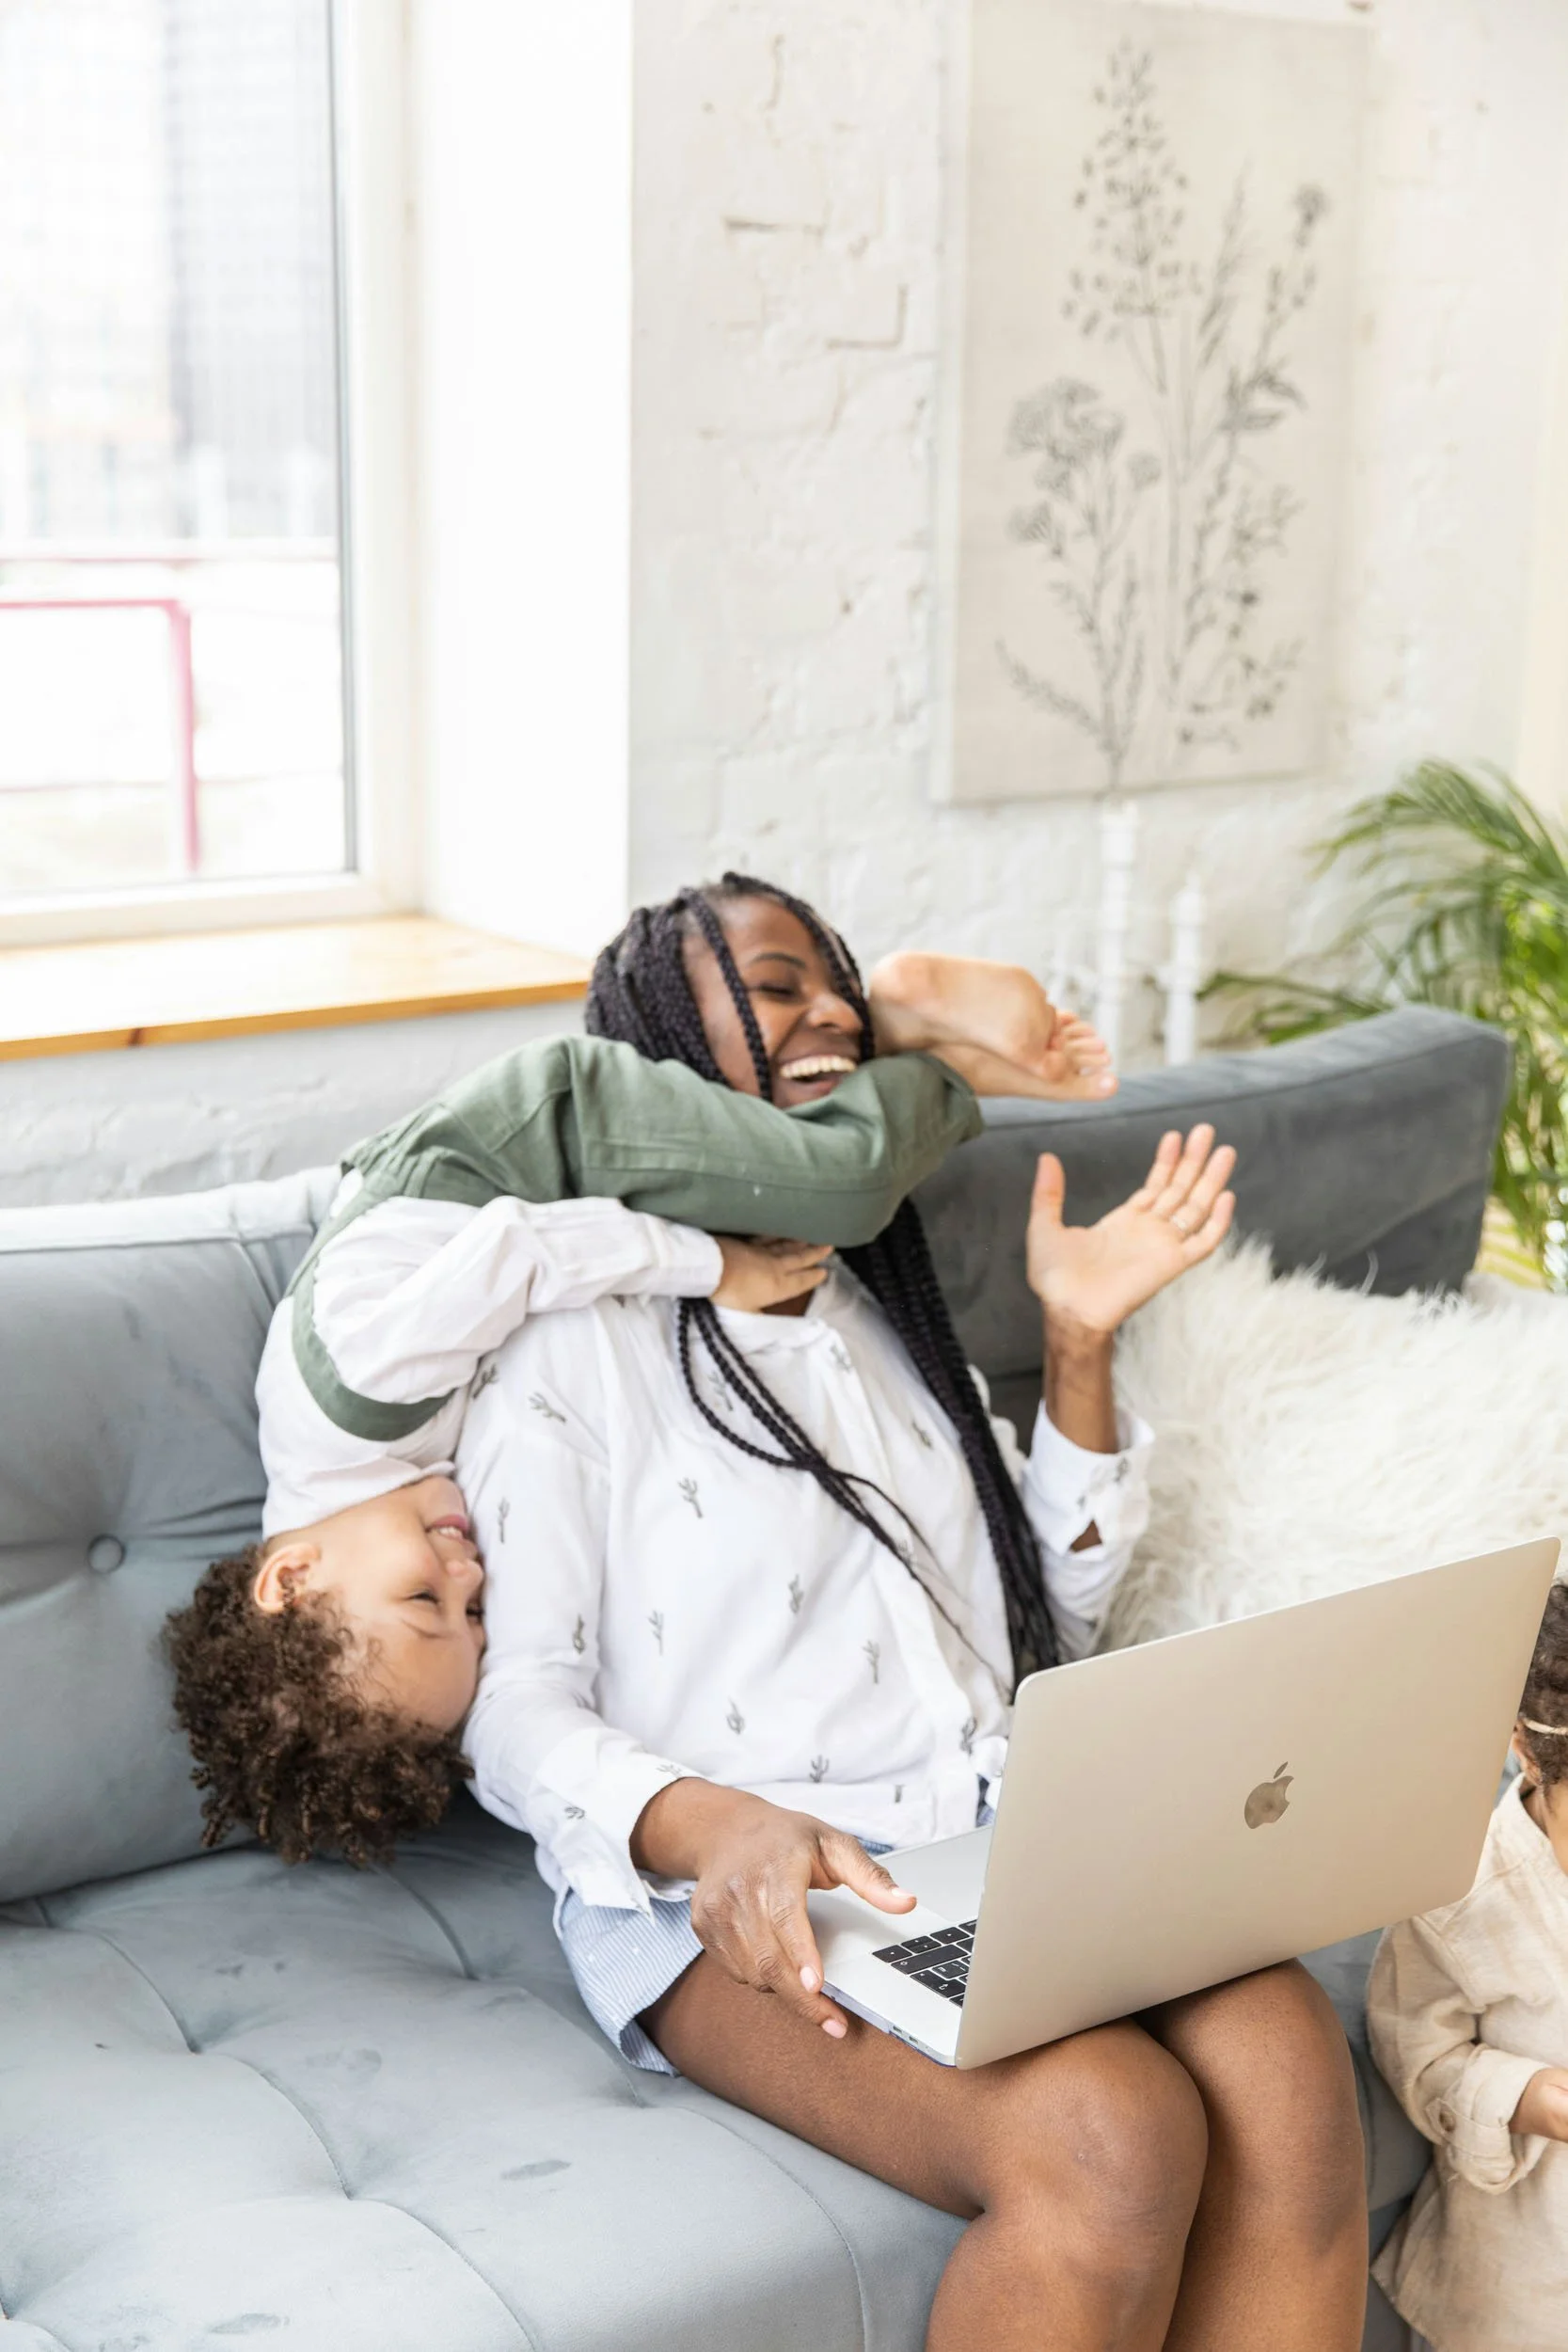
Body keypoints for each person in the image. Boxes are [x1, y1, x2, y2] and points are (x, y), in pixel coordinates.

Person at [454, 872, 1368, 2352]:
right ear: (654, 1049)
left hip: (983, 1831)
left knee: (1281, 2061)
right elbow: (510, 1714)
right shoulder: (570, 1349)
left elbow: (1034, 1632)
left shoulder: (881, 1312)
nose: (825, 1007)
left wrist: (1077, 1342)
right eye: (768, 982)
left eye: (836, 981)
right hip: (737, 1893)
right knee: (1106, 2135)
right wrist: (711, 1823)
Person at [166, 938, 1114, 1864]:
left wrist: (717, 1266)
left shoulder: (356, 1402)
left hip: (539, 1131)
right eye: (472, 1617)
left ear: (290, 1577)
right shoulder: (386, 1473)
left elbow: (519, 1252)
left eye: (423, 1596)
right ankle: (919, 1054)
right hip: (537, 1167)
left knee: (841, 1186)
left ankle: (908, 1026)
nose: (464, 1574)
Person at [1369, 1580, 1568, 2352]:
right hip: (1523, 2281)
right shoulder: (1457, 1895)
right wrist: (1530, 2097)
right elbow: (1416, 2052)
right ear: (1525, 1747)